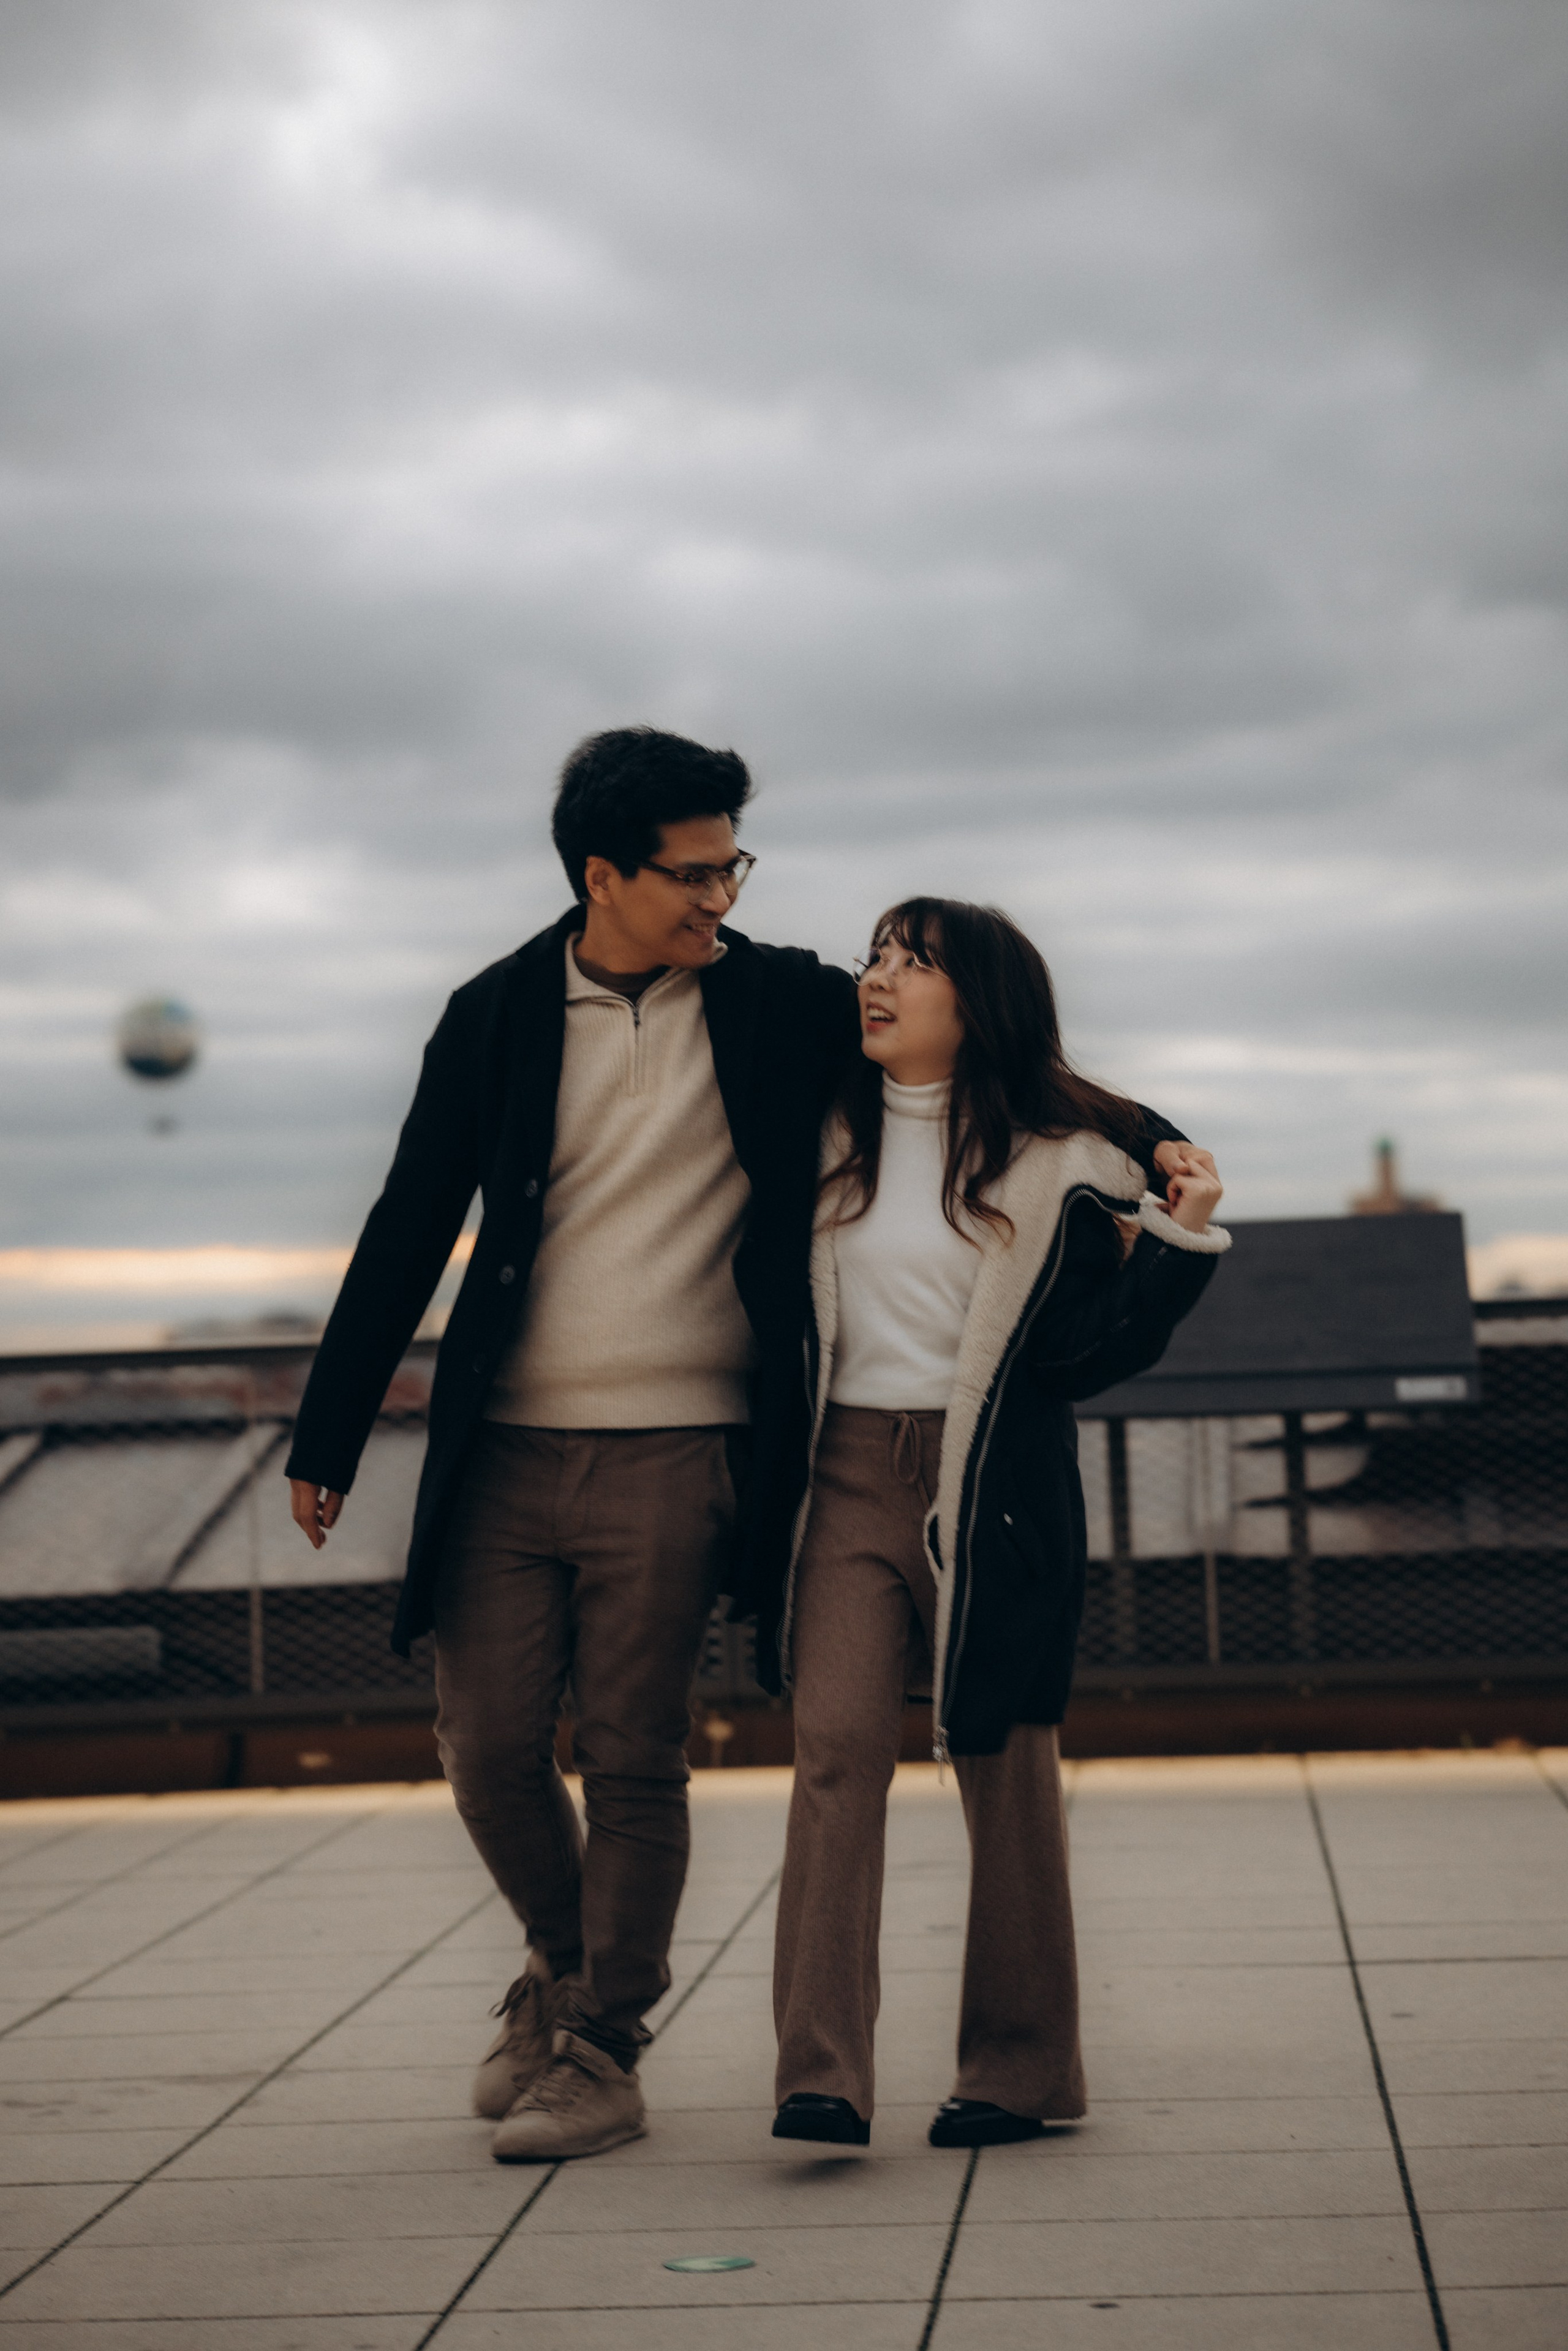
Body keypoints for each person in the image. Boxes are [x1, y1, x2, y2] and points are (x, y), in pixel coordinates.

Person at [284, 731, 1197, 2165]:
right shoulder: (496, 1013)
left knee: (643, 1747)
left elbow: (1008, 1049)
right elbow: (410, 1221)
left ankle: (602, 2042)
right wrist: (327, 1429)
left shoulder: (776, 998)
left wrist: (1163, 1145)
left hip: (687, 1440)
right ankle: (558, 1963)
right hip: (506, 1442)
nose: (724, 894)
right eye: (696, 871)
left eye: (732, 866)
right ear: (606, 873)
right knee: (486, 1742)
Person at [766, 897, 1227, 2151]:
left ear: (977, 1002)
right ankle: (820, 2071)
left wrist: (1178, 1229)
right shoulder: (812, 1126)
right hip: (846, 1473)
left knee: (1003, 1762)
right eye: (874, 956)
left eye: (910, 964)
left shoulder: (1061, 1157)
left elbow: (1083, 1357)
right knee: (834, 1751)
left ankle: (1016, 2070)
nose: (876, 979)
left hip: (998, 1482)